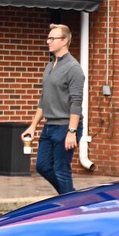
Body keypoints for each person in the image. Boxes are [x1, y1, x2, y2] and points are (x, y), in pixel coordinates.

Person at [24, 23, 85, 196]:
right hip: (49, 126)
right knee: (42, 166)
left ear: (64, 41)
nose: (48, 41)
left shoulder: (74, 69)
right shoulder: (50, 67)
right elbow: (44, 99)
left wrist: (72, 131)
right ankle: (72, 197)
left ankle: (68, 207)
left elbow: (76, 102)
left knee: (61, 169)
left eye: (52, 38)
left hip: (66, 127)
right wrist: (33, 126)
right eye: (48, 37)